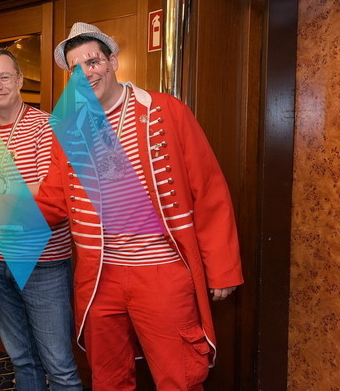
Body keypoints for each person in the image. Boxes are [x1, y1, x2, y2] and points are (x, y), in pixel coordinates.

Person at [33, 22, 244, 390]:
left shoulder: (165, 110)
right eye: (76, 68)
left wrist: (222, 269)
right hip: (100, 274)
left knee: (179, 376)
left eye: (93, 61)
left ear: (113, 61)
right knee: (108, 377)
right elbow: (53, 201)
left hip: (162, 272)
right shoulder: (71, 128)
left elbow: (209, 190)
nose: (87, 73)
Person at [0, 48, 82, 391]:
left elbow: (51, 190)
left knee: (59, 365)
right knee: (21, 360)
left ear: (19, 80)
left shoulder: (46, 127)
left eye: (5, 77)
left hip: (43, 262)